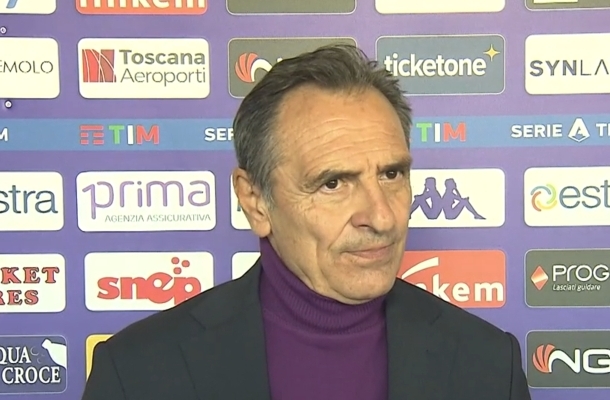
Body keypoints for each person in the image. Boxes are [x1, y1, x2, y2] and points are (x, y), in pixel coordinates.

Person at [82, 44, 532, 400]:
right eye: (333, 183)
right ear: (255, 202)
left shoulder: (489, 364)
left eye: (392, 174)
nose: (381, 216)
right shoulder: (138, 371)